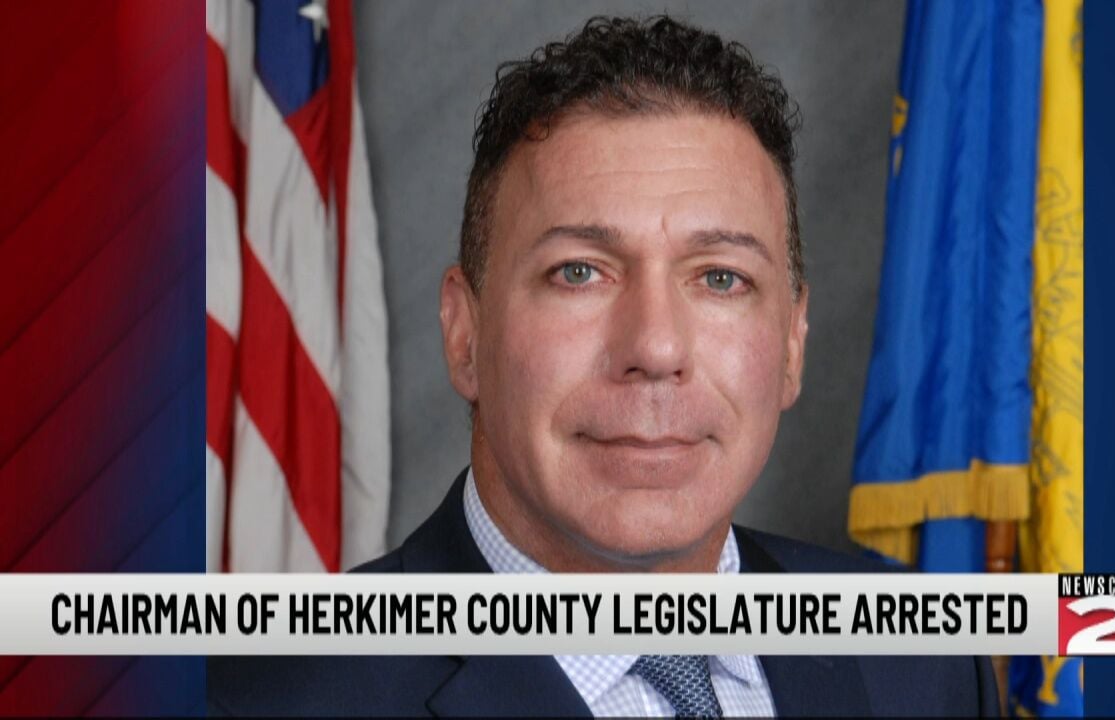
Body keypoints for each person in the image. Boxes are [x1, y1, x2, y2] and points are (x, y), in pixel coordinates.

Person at [208, 15, 998, 717]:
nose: (655, 348)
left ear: (792, 342)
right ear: (464, 334)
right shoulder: (267, 700)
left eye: (721, 278)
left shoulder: (924, 665)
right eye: (579, 272)